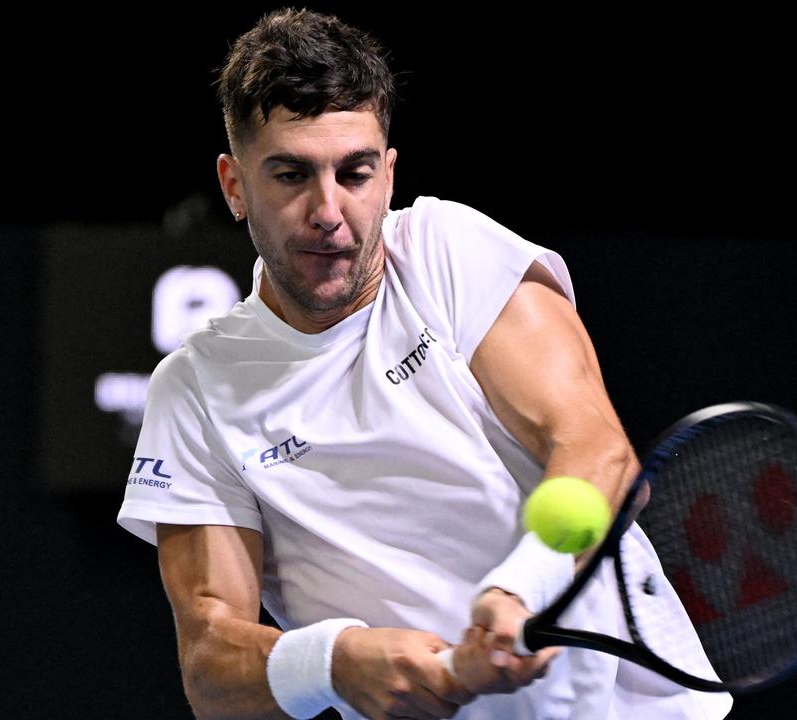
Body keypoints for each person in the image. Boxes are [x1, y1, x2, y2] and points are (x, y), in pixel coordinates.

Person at [117, 8, 731, 719]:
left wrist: (521, 587)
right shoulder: (194, 391)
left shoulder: (450, 252)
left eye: (355, 172)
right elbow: (211, 667)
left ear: (389, 172)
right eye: (291, 174)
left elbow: (600, 455)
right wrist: (334, 662)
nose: (328, 209)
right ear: (233, 185)